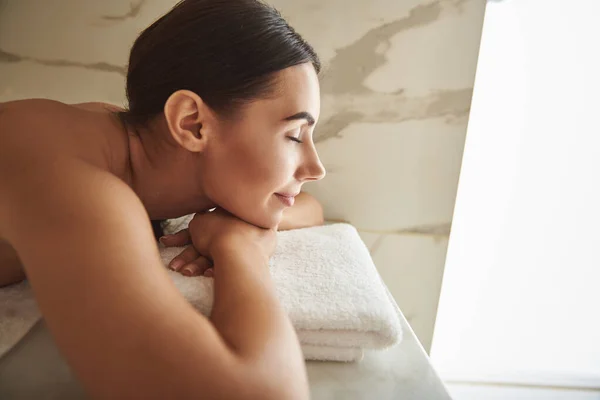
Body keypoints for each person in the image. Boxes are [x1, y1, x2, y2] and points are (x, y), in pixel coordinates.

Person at [0, 0, 326, 398]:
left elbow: (309, 207)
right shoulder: (77, 181)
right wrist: (240, 248)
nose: (315, 166)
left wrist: (231, 224)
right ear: (192, 122)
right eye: (294, 135)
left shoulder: (145, 152)